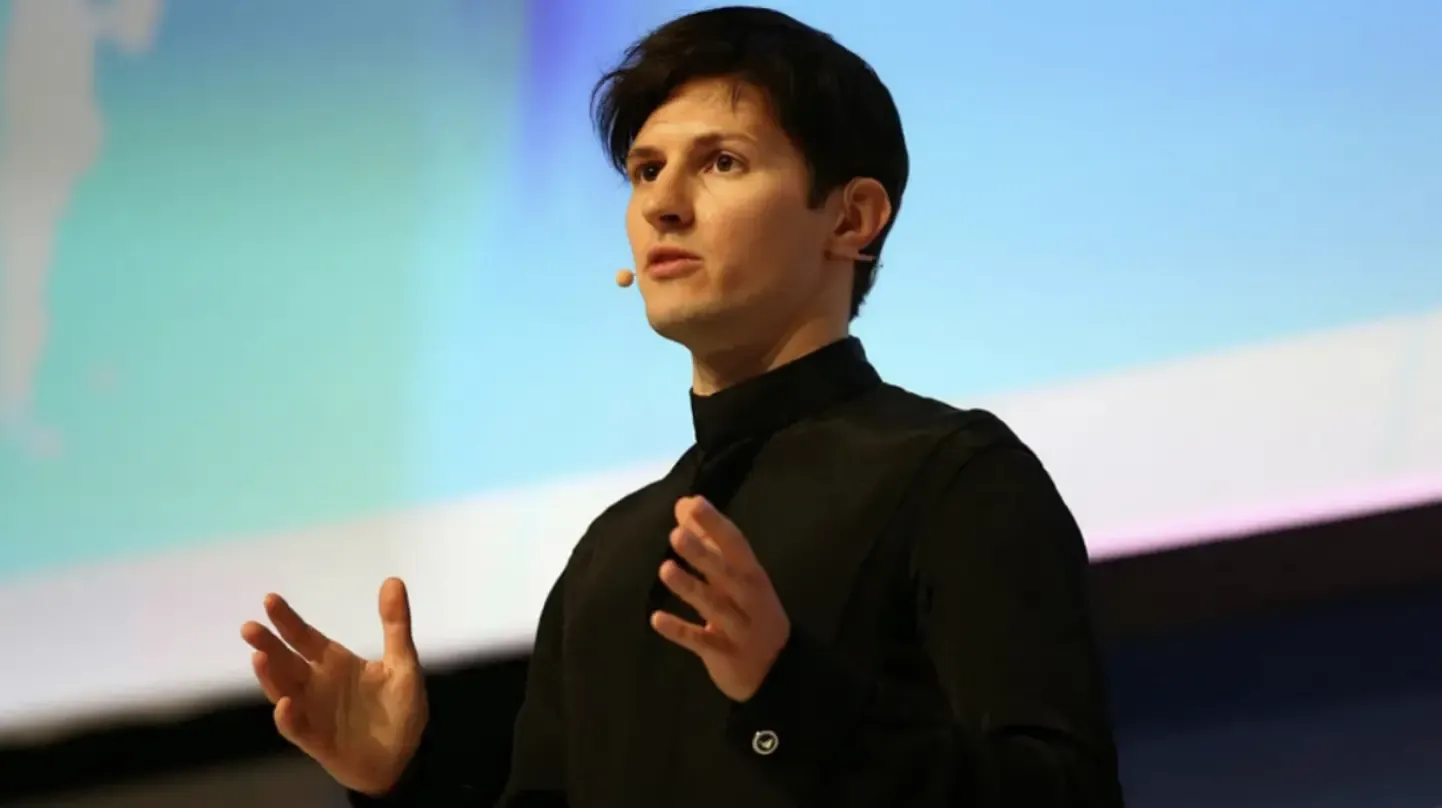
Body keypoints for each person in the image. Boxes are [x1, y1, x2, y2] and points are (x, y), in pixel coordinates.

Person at [240, 6, 1125, 806]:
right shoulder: (610, 559)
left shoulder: (954, 479)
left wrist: (786, 692)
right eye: (645, 170)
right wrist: (402, 783)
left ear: (851, 219)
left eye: (722, 162)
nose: (662, 204)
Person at [0, 0, 164, 457]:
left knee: (61, 285)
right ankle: (17, 410)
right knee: (26, 286)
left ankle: (64, 398)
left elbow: (132, 35)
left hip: (77, 159)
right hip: (36, 157)